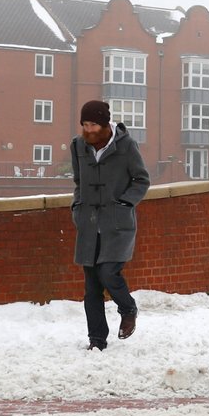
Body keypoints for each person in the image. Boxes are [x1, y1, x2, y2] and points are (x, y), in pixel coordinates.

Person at [71, 100, 150, 351]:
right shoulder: (78, 146)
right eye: (85, 124)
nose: (89, 129)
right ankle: (97, 340)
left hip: (117, 223)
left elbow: (141, 180)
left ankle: (128, 309)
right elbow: (77, 182)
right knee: (91, 286)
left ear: (105, 124)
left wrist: (126, 203)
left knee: (108, 272)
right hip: (88, 223)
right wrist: (77, 207)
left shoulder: (126, 146)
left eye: (93, 124)